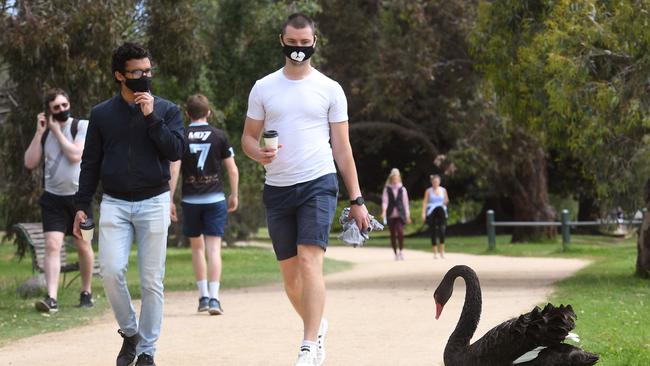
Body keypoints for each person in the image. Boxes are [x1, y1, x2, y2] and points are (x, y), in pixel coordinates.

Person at [241, 13, 370, 366]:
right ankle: (318, 324)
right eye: (292, 43)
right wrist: (259, 154)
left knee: (311, 262)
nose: (298, 49)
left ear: (314, 42)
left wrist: (357, 199)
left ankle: (308, 344)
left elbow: (343, 150)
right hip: (278, 188)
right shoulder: (263, 87)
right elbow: (248, 139)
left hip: (318, 183)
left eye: (304, 43)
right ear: (281, 40)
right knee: (291, 280)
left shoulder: (330, 89)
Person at [72, 42, 184, 366]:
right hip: (115, 203)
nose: (144, 78)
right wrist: (82, 205)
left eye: (148, 72)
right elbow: (90, 163)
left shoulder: (167, 110)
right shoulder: (102, 114)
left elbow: (175, 150)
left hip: (154, 201)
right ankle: (130, 333)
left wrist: (151, 118)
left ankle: (147, 351)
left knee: (152, 281)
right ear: (119, 75)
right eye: (136, 73)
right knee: (109, 270)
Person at [23, 88, 94, 313]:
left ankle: (86, 291)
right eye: (56, 108)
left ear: (69, 104)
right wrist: (40, 132)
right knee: (52, 245)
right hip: (52, 200)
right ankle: (51, 298)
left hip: (81, 200)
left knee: (84, 245)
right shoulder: (45, 133)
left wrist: (57, 130)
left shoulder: (81, 126)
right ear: (49, 111)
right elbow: (30, 162)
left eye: (64, 105)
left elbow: (75, 155)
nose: (62, 110)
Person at [169, 93, 239, 315]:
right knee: (214, 249)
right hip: (215, 198)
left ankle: (203, 297)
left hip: (191, 199)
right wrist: (234, 194)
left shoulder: (181, 136)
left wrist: (169, 198)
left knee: (197, 249)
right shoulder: (219, 135)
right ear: (208, 113)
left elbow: (175, 169)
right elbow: (232, 169)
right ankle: (215, 299)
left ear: (187, 114)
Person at [381, 168, 411, 260]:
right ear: (391, 179)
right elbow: (385, 201)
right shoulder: (387, 189)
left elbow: (405, 203)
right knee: (392, 234)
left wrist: (407, 215)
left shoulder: (402, 189)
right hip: (390, 214)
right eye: (393, 178)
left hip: (400, 214)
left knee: (400, 232)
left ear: (399, 178)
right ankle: (395, 253)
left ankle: (401, 251)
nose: (395, 180)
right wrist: (384, 211)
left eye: (396, 178)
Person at [421, 174, 449, 259]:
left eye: (437, 181)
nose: (435, 183)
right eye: (434, 182)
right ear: (432, 182)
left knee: (442, 230)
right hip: (432, 210)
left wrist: (444, 202)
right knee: (433, 231)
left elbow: (446, 200)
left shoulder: (443, 190)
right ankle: (435, 252)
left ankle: (442, 251)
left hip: (441, 210)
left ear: (439, 182)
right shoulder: (428, 191)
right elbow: (425, 202)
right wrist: (423, 213)